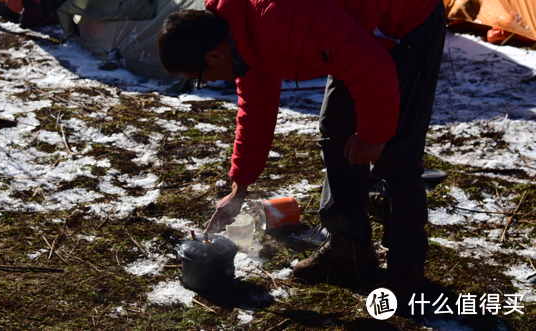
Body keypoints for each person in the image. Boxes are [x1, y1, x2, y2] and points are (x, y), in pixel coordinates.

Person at [158, 0, 445, 315]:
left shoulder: (283, 20)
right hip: (351, 35)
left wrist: (373, 135)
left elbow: (372, 68)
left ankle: (405, 267)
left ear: (213, 55)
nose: (208, 84)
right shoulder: (242, 35)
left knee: (396, 154)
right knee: (335, 132)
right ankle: (349, 245)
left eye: (201, 78)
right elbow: (255, 113)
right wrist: (239, 188)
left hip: (405, 19)